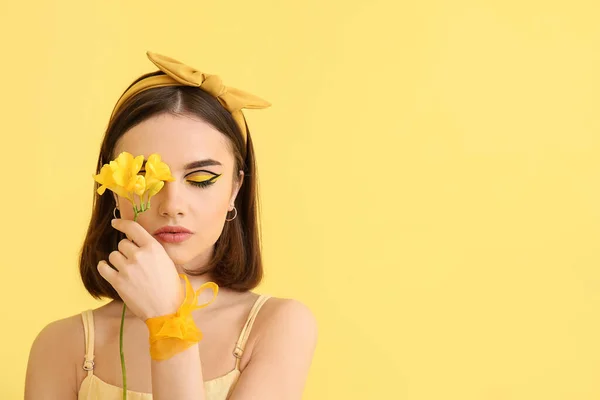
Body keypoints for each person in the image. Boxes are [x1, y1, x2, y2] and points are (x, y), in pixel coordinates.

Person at [24, 51, 318, 400]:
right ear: (114, 190)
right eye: (146, 177)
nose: (172, 206)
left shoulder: (277, 326)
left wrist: (168, 322)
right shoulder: (63, 345)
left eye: (201, 178)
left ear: (235, 189)